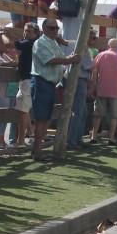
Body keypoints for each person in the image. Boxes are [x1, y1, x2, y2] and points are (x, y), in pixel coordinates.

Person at [30, 17, 79, 160]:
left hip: (50, 84)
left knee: (46, 118)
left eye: (57, 28)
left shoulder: (52, 42)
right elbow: (50, 60)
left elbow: (60, 60)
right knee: (41, 118)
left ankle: (37, 150)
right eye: (52, 28)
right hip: (42, 82)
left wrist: (69, 59)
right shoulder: (40, 42)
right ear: (44, 29)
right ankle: (37, 151)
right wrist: (69, 60)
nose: (55, 30)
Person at [90, 37, 117, 144]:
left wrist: (93, 86)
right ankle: (111, 137)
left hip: (102, 88)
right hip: (116, 89)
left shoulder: (101, 55)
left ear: (108, 46)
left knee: (98, 114)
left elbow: (94, 72)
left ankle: (94, 136)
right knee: (115, 115)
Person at [67, 30, 95, 149]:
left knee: (82, 112)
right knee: (78, 112)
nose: (94, 39)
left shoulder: (84, 47)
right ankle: (73, 141)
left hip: (80, 80)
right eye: (93, 37)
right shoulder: (82, 48)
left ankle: (77, 139)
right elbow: (88, 66)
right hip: (79, 80)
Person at [12, 21, 37, 146]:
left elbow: (14, 44)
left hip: (26, 80)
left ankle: (21, 140)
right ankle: (31, 133)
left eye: (29, 31)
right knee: (24, 109)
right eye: (25, 30)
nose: (26, 33)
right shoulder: (33, 43)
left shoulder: (28, 43)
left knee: (22, 110)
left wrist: (3, 33)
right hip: (28, 79)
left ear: (35, 33)